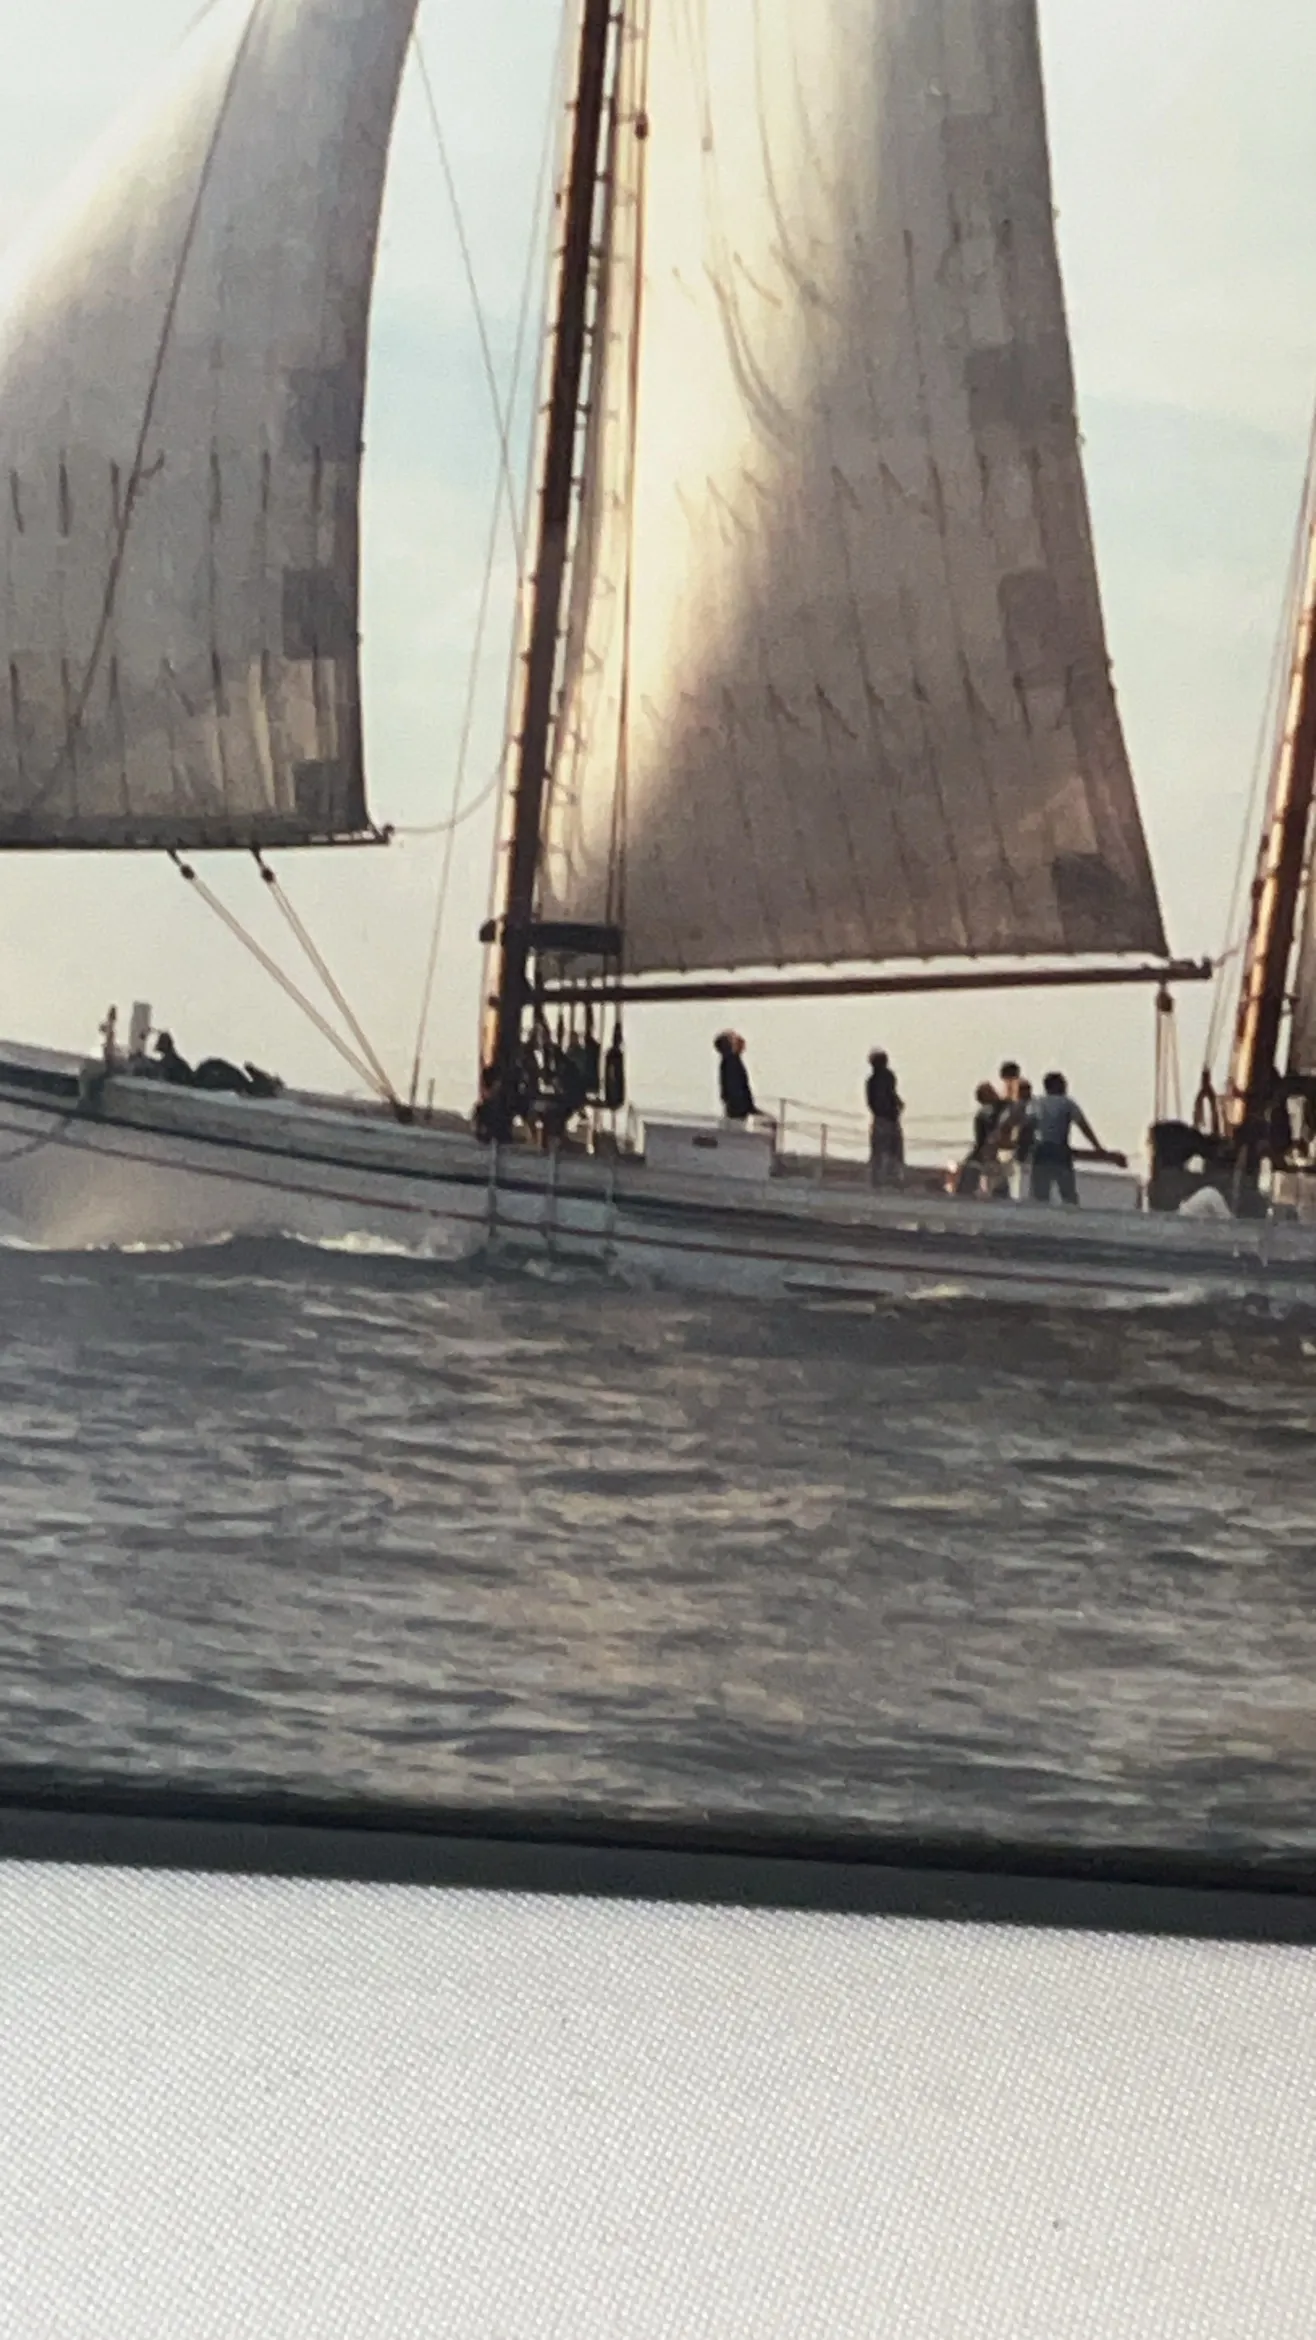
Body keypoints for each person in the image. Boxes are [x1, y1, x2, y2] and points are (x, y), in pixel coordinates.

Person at [1026, 1071, 1103, 1205]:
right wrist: (1097, 1147)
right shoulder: (1067, 1103)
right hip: (1059, 1150)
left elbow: (1027, 1126)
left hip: (1041, 1150)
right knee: (1068, 1194)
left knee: (1039, 1195)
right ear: (1055, 1085)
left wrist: (1026, 1147)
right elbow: (1083, 1126)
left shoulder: (1036, 1103)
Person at [954, 1082, 1003, 1197]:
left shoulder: (984, 1113)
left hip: (986, 1151)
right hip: (993, 1151)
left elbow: (980, 1138)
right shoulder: (998, 1110)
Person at [865, 1049, 904, 1188]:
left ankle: (881, 1179)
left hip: (882, 1119)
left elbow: (876, 1100)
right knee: (890, 1150)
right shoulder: (883, 1078)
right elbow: (888, 1095)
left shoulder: (873, 1081)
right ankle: (889, 1179)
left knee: (882, 1151)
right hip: (886, 1119)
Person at [715, 1031, 756, 1122]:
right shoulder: (731, 1063)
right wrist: (743, 1108)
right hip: (738, 1112)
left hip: (738, 1109)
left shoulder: (731, 1061)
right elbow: (735, 1088)